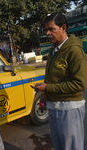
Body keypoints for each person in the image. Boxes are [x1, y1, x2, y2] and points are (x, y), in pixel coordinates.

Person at [31, 13, 87, 150]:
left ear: (63, 28)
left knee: (72, 147)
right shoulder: (53, 51)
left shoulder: (74, 51)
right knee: (59, 146)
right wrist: (45, 93)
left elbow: (80, 84)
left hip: (69, 108)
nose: (47, 33)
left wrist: (48, 88)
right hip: (54, 107)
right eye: (46, 30)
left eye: (51, 29)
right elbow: (52, 77)